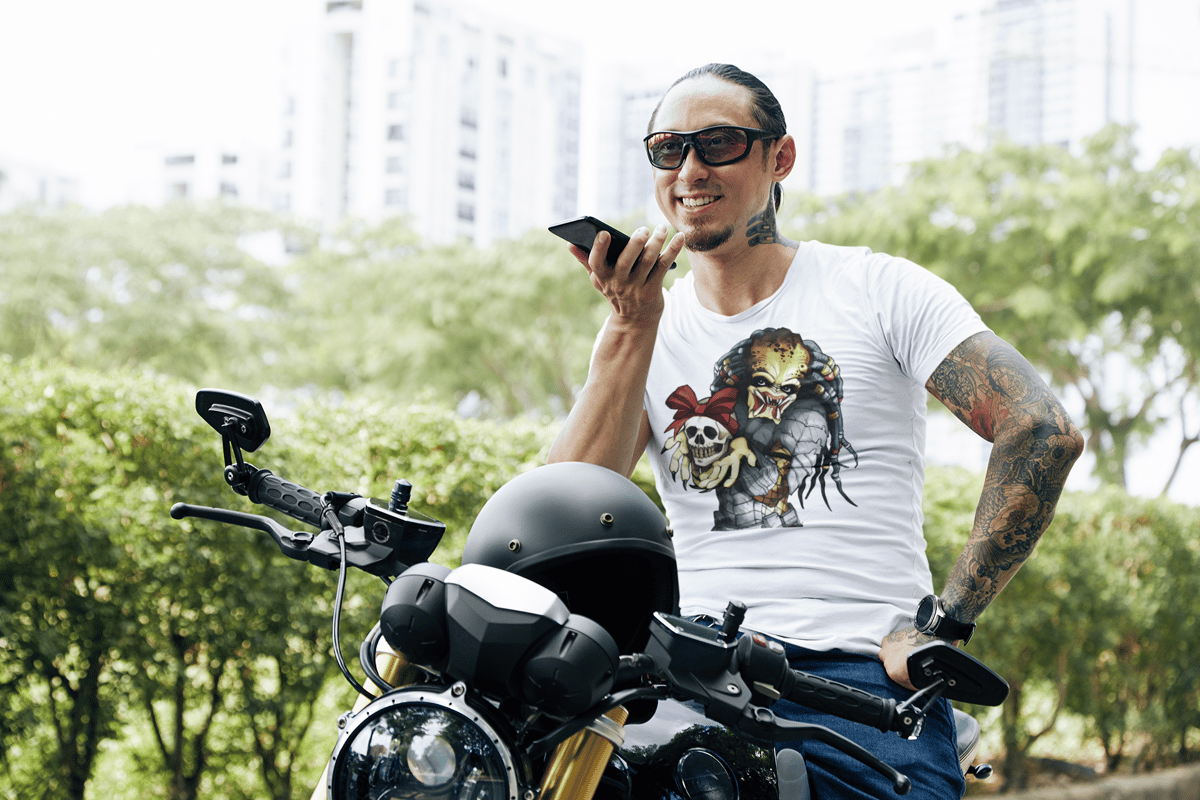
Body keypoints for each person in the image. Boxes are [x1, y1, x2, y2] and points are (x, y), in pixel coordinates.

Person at [547, 63, 1084, 798]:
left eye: (718, 143)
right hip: (687, 674)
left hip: (859, 681)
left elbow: (1041, 429)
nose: (690, 170)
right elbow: (566, 508)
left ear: (781, 158)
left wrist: (943, 627)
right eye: (668, 149)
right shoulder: (644, 327)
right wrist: (630, 326)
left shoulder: (877, 289)